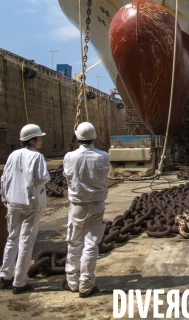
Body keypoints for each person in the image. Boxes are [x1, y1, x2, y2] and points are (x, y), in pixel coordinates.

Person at [0, 124, 49, 294]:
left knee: (12, 239)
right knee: (26, 243)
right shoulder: (37, 157)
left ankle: (5, 276)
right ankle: (20, 282)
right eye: (39, 138)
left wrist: (4, 196)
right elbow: (42, 178)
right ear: (32, 140)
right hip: (30, 205)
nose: (42, 140)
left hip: (13, 202)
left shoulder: (13, 155)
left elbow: (4, 177)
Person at [62, 122, 110, 297]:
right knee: (91, 244)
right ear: (93, 137)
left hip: (78, 205)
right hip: (97, 203)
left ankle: (72, 282)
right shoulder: (103, 156)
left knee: (74, 243)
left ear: (78, 137)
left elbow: (67, 176)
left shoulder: (69, 157)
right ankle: (86, 284)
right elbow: (104, 175)